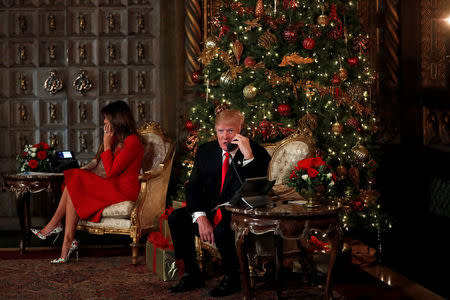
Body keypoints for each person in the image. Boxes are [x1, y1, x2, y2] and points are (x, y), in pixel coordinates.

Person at [168, 109, 271, 297]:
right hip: (210, 209)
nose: (225, 137)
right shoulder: (206, 151)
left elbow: (256, 189)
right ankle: (192, 273)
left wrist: (247, 157)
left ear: (241, 130)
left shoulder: (256, 151)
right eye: (220, 131)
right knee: (177, 218)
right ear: (215, 131)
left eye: (230, 131)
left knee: (223, 229)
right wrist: (200, 217)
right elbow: (193, 187)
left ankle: (233, 278)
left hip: (239, 211)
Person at [31, 100, 144, 264]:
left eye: (107, 119)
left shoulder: (133, 142)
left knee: (75, 178)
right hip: (112, 186)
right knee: (74, 181)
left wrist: (106, 145)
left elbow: (112, 172)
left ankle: (56, 227)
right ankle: (66, 241)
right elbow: (103, 166)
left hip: (124, 190)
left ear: (117, 120)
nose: (104, 122)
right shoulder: (116, 140)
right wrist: (107, 145)